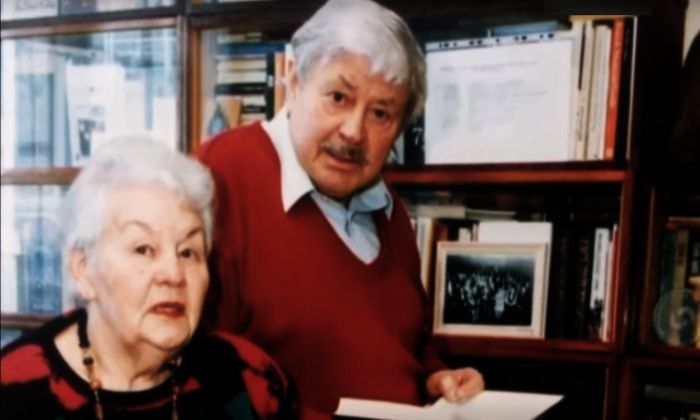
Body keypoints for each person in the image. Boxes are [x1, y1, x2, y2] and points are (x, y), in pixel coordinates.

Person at [196, 0, 484, 417]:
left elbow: (405, 346)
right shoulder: (221, 175)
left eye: (381, 113)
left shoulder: (389, 211)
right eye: (338, 97)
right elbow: (195, 374)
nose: (353, 132)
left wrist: (436, 379)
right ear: (294, 82)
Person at [1, 137, 297, 419]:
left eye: (188, 252)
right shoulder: (15, 392)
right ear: (83, 269)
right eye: (143, 249)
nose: (174, 275)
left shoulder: (250, 381)